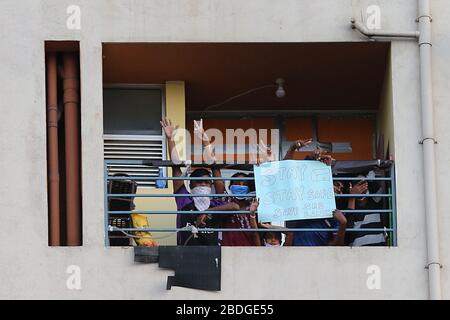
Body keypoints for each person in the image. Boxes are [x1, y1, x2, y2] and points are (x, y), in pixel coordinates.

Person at [161, 118, 237, 245]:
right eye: (199, 182)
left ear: (211, 185)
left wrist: (205, 140)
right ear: (190, 185)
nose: (203, 185)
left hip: (213, 256)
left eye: (206, 182)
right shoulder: (184, 200)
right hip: (186, 255)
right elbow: (176, 168)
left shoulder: (216, 203)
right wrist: (170, 139)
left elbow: (234, 206)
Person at [282, 139, 347, 246]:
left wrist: (343, 224)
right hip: (296, 257)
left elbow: (336, 246)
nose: (337, 189)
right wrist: (293, 148)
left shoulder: (335, 215)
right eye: (334, 185)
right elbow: (284, 172)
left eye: (340, 188)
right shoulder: (302, 202)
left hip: (319, 259)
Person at [344, 174, 388, 246]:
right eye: (359, 184)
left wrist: (368, 178)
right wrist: (352, 197)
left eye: (365, 183)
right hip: (358, 252)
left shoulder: (375, 201)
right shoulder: (346, 204)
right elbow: (349, 229)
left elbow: (376, 185)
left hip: (378, 249)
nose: (363, 186)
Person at [220, 172, 261, 246]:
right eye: (237, 183)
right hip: (226, 252)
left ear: (249, 188)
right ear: (230, 187)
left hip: (248, 252)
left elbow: (255, 234)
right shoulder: (225, 202)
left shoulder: (254, 207)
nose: (241, 186)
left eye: (244, 184)